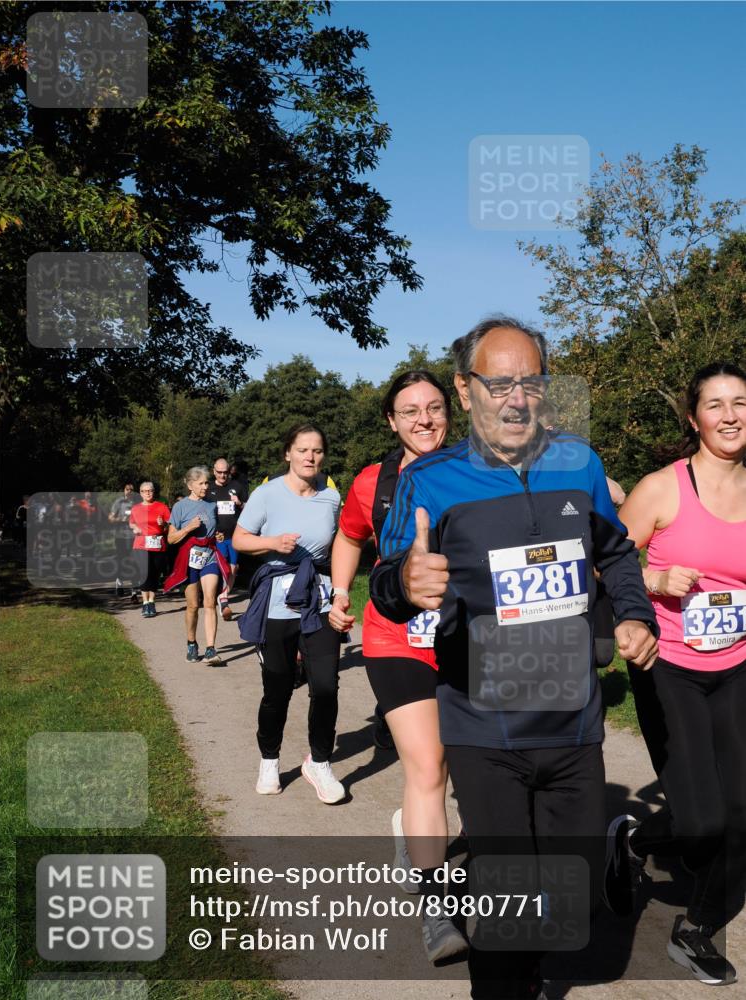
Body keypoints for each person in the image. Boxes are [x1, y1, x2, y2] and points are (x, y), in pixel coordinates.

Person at [370, 316, 658, 999]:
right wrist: (407, 585)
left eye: (531, 381)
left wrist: (636, 614)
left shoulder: (579, 464)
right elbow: (385, 581)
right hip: (482, 727)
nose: (516, 397)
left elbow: (615, 551)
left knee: (572, 897)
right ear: (467, 391)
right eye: (499, 382)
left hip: (573, 724)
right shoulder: (433, 482)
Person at [605, 361, 746, 986]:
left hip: (738, 663)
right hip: (670, 664)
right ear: (694, 419)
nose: (731, 415)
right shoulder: (662, 488)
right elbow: (607, 562)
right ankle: (635, 843)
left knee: (741, 812)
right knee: (702, 821)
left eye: (740, 402)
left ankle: (697, 929)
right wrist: (655, 580)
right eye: (716, 405)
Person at [328, 369, 467, 961]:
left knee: (475, 766)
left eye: (434, 408)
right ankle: (437, 907)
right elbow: (349, 538)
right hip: (396, 636)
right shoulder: (372, 482)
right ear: (391, 420)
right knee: (428, 765)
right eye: (409, 411)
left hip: (471, 637)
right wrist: (339, 595)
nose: (424, 420)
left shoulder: (479, 470)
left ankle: (416, 832)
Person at [233, 424, 344, 805]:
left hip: (319, 599)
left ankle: (321, 761)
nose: (310, 457)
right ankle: (269, 759)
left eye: (316, 450)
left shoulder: (331, 497)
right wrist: (271, 543)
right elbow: (239, 539)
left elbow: (342, 545)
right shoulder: (267, 494)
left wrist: (342, 591)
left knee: (326, 686)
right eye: (302, 450)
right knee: (277, 689)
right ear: (288, 454)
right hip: (278, 602)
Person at [164, 466, 230, 665]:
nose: (205, 486)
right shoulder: (180, 507)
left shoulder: (211, 505)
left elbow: (214, 530)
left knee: (209, 602)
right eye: (201, 483)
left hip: (209, 556)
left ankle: (211, 649)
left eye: (206, 482)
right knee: (193, 605)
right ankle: (192, 643)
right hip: (189, 559)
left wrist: (217, 536)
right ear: (190, 485)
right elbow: (171, 539)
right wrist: (188, 528)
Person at [208, 458, 248, 620]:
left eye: (225, 472)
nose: (223, 475)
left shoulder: (237, 487)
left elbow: (249, 508)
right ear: (214, 471)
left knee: (233, 568)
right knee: (219, 567)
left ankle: (223, 596)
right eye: (219, 472)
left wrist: (239, 503)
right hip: (217, 535)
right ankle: (219, 598)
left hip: (234, 535)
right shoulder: (209, 489)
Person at [128, 482, 171, 618]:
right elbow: (131, 522)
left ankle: (151, 601)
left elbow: (169, 527)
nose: (147, 493)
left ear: (154, 492)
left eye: (150, 491)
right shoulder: (135, 508)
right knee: (143, 573)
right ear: (140, 493)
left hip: (157, 545)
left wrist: (163, 524)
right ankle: (145, 602)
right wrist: (134, 527)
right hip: (141, 545)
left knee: (154, 574)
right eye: (144, 491)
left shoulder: (162, 507)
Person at [108, 483, 141, 600]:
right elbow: (110, 518)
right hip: (120, 536)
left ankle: (134, 590)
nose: (129, 491)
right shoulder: (119, 502)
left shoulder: (137, 503)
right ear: (124, 490)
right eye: (127, 489)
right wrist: (120, 519)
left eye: (131, 489)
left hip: (134, 537)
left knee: (134, 562)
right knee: (122, 560)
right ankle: (119, 582)